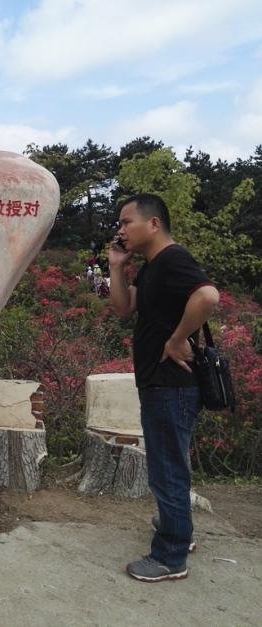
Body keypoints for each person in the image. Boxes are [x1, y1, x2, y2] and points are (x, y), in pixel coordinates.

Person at [108, 193, 219, 582]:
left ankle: (170, 557)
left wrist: (176, 339)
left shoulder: (173, 258)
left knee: (166, 469)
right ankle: (179, 532)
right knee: (171, 463)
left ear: (153, 224)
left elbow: (208, 296)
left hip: (171, 384)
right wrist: (117, 268)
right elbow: (124, 308)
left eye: (127, 222)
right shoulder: (153, 267)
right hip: (160, 383)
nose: (120, 229)